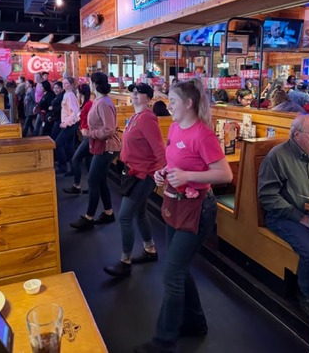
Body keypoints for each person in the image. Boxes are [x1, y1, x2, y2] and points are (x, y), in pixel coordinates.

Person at [135, 78, 232, 353]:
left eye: (173, 101)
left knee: (172, 273)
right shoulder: (176, 127)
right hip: (175, 203)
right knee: (179, 267)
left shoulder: (203, 134)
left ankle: (164, 342)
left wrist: (188, 176)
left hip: (199, 208)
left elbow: (225, 174)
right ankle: (196, 323)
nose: (168, 105)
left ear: (188, 104)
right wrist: (162, 172)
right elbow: (175, 161)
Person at [257, 114, 309, 318]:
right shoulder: (277, 156)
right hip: (284, 217)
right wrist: (301, 218)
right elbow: (267, 196)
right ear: (297, 134)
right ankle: (307, 294)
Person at [104, 82, 165, 277]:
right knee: (139, 213)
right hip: (133, 172)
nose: (135, 95)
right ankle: (150, 250)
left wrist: (166, 173)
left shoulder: (147, 118)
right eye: (134, 92)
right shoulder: (136, 117)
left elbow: (159, 149)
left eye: (140, 93)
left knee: (124, 216)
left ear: (148, 97)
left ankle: (125, 261)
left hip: (144, 174)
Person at [70, 72, 121, 230]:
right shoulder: (99, 101)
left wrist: (89, 133)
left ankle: (89, 217)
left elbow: (109, 129)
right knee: (100, 180)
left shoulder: (103, 103)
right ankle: (108, 212)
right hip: (101, 146)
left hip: (108, 147)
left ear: (94, 84)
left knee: (93, 180)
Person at [62, 83, 93, 194]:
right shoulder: (86, 104)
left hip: (88, 137)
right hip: (86, 135)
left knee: (76, 159)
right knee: (88, 162)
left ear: (80, 93)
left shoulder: (88, 104)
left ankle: (77, 185)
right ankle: (91, 187)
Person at [54, 77, 80, 174]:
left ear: (72, 85)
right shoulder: (67, 94)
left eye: (67, 83)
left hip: (70, 125)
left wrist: (65, 123)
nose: (64, 85)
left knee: (58, 144)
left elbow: (75, 112)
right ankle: (73, 169)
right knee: (69, 147)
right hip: (69, 124)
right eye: (63, 83)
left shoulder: (70, 95)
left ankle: (63, 166)